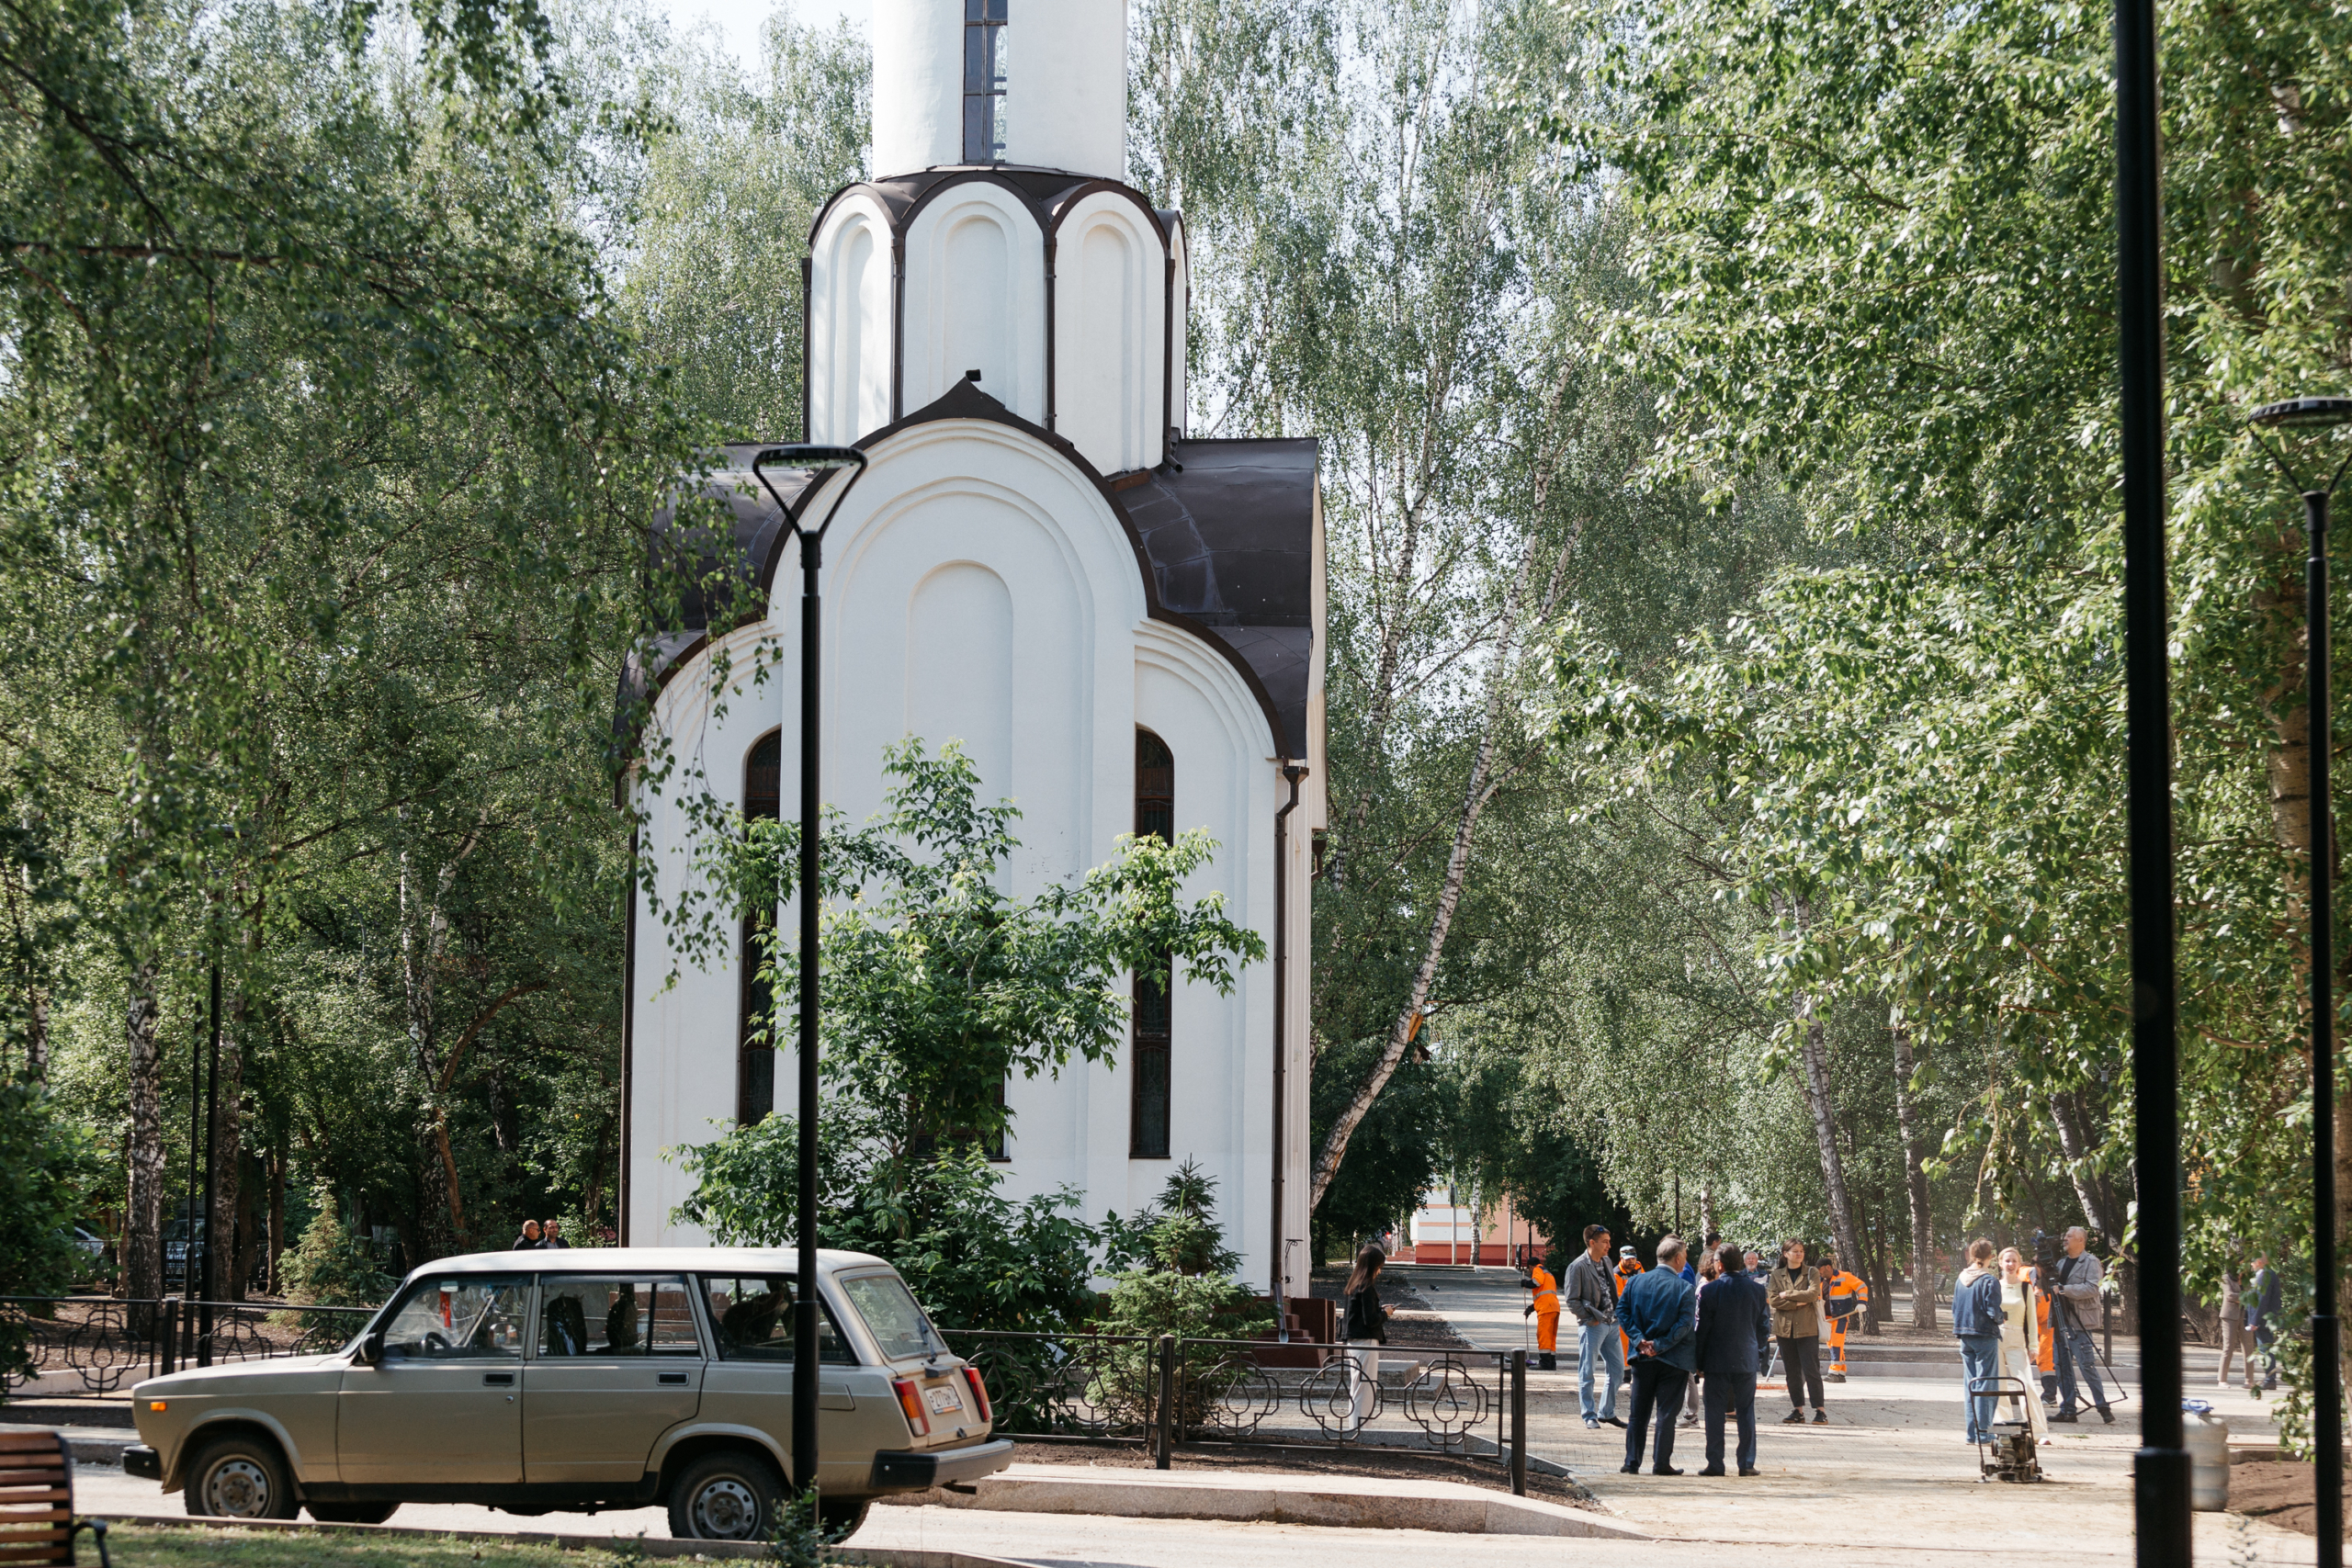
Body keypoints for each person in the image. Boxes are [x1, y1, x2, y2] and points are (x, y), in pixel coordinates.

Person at [1616, 1235, 1698, 1475]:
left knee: (1637, 1413)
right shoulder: (1684, 1287)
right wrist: (1659, 1345)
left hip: (1641, 1358)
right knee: (1666, 1415)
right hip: (1673, 1360)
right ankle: (1661, 1464)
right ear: (1679, 1258)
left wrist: (1639, 1340)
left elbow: (1622, 1311)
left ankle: (1631, 1462)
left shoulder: (1635, 1282)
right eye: (1684, 1257)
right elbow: (1684, 1326)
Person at [1694, 1239, 1772, 1476]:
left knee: (1715, 1412)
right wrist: (1755, 1350)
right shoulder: (1757, 1289)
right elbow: (1764, 1326)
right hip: (1746, 1360)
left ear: (1719, 1265)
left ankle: (1715, 1464)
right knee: (1746, 1411)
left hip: (1716, 1361)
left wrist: (1698, 1362)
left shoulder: (1709, 1290)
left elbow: (1702, 1330)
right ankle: (1746, 1464)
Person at [2050, 1226, 2114, 1424]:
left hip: (2080, 1323)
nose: (2065, 1238)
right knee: (2062, 1368)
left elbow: (2092, 1288)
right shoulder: (2060, 1263)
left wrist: (2063, 1289)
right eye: (2065, 1235)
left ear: (2081, 1241)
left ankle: (2103, 1408)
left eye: (2069, 1236)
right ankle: (2068, 1410)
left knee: (2086, 1366)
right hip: (2061, 1322)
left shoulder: (2091, 1262)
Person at [1566, 1224, 1626, 1428]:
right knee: (1587, 1372)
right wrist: (1589, 1319)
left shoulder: (1607, 1261)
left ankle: (1606, 1412)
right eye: (1605, 1242)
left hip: (1612, 1324)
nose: (1609, 1245)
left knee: (1618, 1370)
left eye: (1609, 1241)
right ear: (1592, 1243)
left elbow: (1612, 1290)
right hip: (1593, 1326)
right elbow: (1572, 1300)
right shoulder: (1578, 1266)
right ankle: (1589, 1415)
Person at [1768, 1239, 1827, 1425]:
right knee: (1792, 1372)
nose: (1799, 1254)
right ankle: (1798, 1410)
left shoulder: (1812, 1272)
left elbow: (1813, 1294)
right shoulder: (1776, 1275)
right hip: (1784, 1330)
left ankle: (1820, 1410)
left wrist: (1787, 1294)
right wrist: (1798, 1302)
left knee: (1812, 1370)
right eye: (1795, 1251)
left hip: (1807, 1329)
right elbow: (1773, 1300)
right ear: (1785, 1254)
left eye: (1801, 1251)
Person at [1951, 1239, 2005, 1444]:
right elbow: (1993, 1312)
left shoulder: (1960, 1279)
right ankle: (1984, 1432)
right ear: (1990, 1257)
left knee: (1970, 1384)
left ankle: (1971, 1433)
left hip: (1964, 1335)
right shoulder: (1989, 1281)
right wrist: (2002, 1317)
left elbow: (1955, 1308)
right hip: (1984, 1335)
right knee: (1986, 1385)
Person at [1341, 1244, 1395, 1433]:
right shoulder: (1367, 1287)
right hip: (1365, 1342)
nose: (1379, 1271)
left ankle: (1355, 1428)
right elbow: (1370, 1320)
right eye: (1379, 1267)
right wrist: (1386, 1313)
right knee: (1365, 1388)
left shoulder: (1353, 1286)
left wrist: (1380, 1310)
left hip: (1353, 1341)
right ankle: (1361, 1431)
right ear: (1373, 1266)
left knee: (1358, 1387)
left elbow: (1354, 1317)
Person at [1996, 1247, 2048, 1442]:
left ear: (2019, 1264)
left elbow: (2032, 1319)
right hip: (1996, 1338)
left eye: (2014, 1261)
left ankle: (2039, 1432)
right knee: (1999, 1385)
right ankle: (2003, 1428)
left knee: (2027, 1385)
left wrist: (2033, 1345)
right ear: (2000, 1263)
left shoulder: (2025, 1288)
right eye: (2007, 1261)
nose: (2010, 1264)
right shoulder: (1994, 1286)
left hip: (2017, 1339)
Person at [1815, 1251, 1870, 1380]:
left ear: (1828, 1267)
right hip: (1826, 1319)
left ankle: (1834, 1373)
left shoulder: (1845, 1277)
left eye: (1821, 1270)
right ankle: (1841, 1372)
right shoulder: (1820, 1282)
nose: (1820, 1273)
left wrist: (1862, 1302)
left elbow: (1862, 1286)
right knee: (1833, 1345)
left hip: (1840, 1318)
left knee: (1836, 1343)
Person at [2245, 1255, 2282, 1394]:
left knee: (2265, 1350)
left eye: (2252, 1262)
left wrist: (2254, 1321)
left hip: (2264, 1320)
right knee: (2265, 1349)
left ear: (2259, 1262)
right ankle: (2269, 1379)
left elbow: (2261, 1300)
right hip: (2263, 1319)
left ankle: (2270, 1380)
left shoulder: (2266, 1275)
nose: (2251, 1265)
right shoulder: (2265, 1274)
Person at [1523, 1254, 1563, 1371]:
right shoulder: (1548, 1273)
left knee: (1543, 1336)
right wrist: (1531, 1308)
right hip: (1554, 1307)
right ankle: (1551, 1363)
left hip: (1546, 1309)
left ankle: (1545, 1363)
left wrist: (1525, 1283)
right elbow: (1545, 1294)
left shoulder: (1537, 1269)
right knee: (1551, 1337)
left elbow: (1536, 1282)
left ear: (1530, 1267)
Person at [2215, 1269, 2246, 1388]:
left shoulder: (2247, 1278)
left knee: (2248, 1348)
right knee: (2228, 1347)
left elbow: (2254, 1294)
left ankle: (2249, 1381)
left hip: (2245, 1316)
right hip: (2229, 1316)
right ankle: (2222, 1380)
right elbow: (2229, 1296)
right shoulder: (2225, 1278)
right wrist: (2246, 1296)